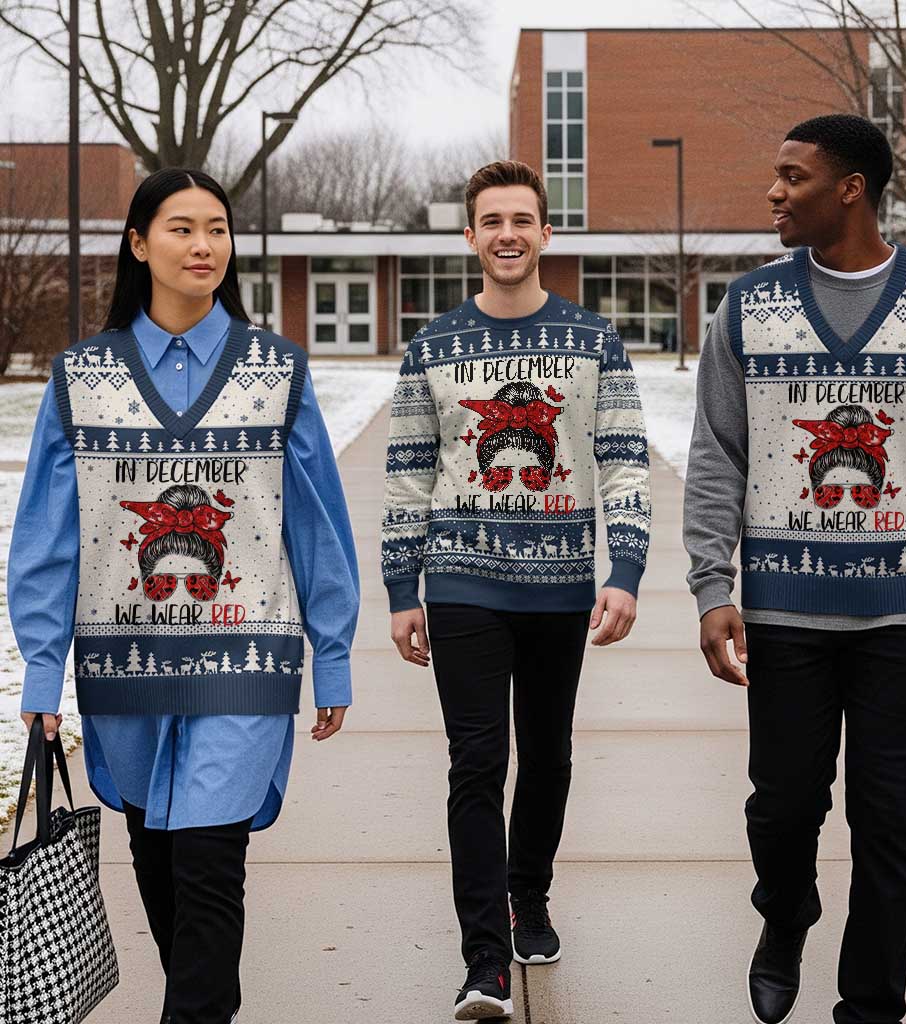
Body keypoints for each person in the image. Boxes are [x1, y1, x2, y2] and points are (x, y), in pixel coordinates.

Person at [684, 113, 906, 1024]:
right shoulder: (749, 306)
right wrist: (713, 585)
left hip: (905, 618)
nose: (774, 192)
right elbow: (718, 452)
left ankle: (871, 1005)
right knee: (782, 810)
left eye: (793, 176)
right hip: (785, 611)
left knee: (889, 824)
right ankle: (784, 914)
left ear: (851, 189)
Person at [11, 167, 359, 1024]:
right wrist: (43, 675)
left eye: (217, 228)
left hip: (246, 658)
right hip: (122, 663)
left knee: (210, 865)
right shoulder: (81, 378)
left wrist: (335, 655)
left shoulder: (277, 372)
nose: (203, 246)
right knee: (159, 862)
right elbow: (48, 539)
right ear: (138, 244)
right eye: (181, 228)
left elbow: (316, 524)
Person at [381, 159, 652, 1021]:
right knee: (477, 760)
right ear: (469, 236)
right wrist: (401, 587)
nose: (507, 234)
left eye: (521, 220)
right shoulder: (431, 347)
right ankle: (484, 961)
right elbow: (407, 477)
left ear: (545, 233)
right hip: (461, 581)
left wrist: (627, 570)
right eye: (490, 220)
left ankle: (527, 895)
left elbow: (623, 461)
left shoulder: (593, 340)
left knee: (549, 753)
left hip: (561, 584)